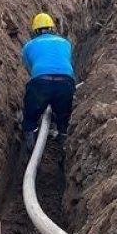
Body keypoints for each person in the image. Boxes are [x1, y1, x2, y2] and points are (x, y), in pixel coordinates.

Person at [20, 12, 76, 150]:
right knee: (65, 119)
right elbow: (67, 62)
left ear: (35, 31)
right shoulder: (65, 43)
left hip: (40, 83)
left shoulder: (28, 46)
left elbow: (30, 67)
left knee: (30, 118)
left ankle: (30, 145)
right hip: (65, 83)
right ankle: (64, 145)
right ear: (52, 28)